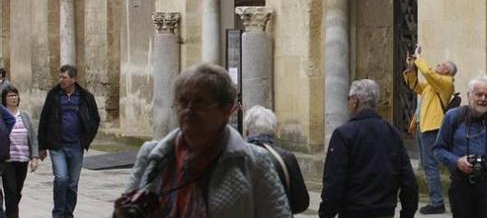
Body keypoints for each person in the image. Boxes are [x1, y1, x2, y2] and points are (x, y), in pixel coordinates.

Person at [119, 63, 291, 217]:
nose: (189, 110)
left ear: (226, 110)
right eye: (183, 102)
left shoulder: (254, 162)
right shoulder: (153, 155)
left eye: (200, 103)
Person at [319, 79, 418, 218]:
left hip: (353, 211)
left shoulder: (343, 134)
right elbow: (409, 181)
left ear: (355, 101)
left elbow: (334, 183)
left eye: (348, 100)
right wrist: (407, 213)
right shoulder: (392, 133)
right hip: (384, 211)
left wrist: (326, 214)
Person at [433, 75, 487, 218]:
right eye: (478, 94)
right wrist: (457, 161)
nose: (483, 99)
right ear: (469, 95)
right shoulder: (452, 117)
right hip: (461, 186)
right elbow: (438, 149)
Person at [38, 64, 100, 218]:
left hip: (76, 146)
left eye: (64, 77)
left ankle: (68, 213)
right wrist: (41, 146)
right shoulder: (53, 95)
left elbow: (95, 119)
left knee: (72, 183)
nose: (61, 80)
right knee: (61, 178)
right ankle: (58, 213)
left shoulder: (85, 97)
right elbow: (44, 120)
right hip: (57, 145)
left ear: (73, 79)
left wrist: (86, 139)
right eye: (60, 77)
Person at [403, 45, 456, 214]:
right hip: (422, 127)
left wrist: (418, 57)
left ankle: (437, 202)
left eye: (442, 64)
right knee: (427, 165)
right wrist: (411, 68)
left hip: (432, 128)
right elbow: (415, 85)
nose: (438, 65)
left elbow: (429, 73)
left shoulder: (446, 83)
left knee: (431, 165)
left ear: (447, 70)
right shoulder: (432, 85)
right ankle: (436, 200)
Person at [244, 105, 309, 215]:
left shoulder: (236, 157)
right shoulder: (286, 157)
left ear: (247, 131)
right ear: (274, 131)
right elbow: (301, 202)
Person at [1, 85, 38, 218]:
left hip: (22, 159)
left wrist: (34, 157)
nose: (14, 98)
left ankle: (8, 213)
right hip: (7, 160)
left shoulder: (25, 115)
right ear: (4, 98)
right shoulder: (2, 116)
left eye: (15, 95)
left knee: (17, 191)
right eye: (10, 95)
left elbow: (33, 137)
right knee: (10, 190)